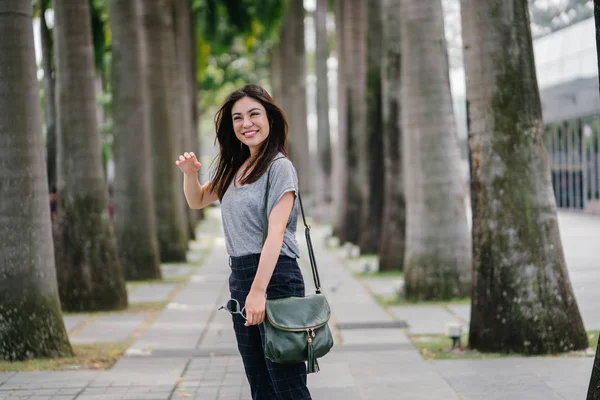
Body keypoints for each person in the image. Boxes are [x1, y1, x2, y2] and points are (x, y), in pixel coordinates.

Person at [175, 84, 312, 400]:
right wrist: (188, 174)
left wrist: (258, 291)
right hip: (241, 278)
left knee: (288, 386)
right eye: (238, 118)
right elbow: (196, 200)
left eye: (254, 114)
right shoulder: (235, 168)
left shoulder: (280, 168)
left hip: (275, 280)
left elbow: (276, 234)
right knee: (261, 386)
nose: (246, 123)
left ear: (270, 118)